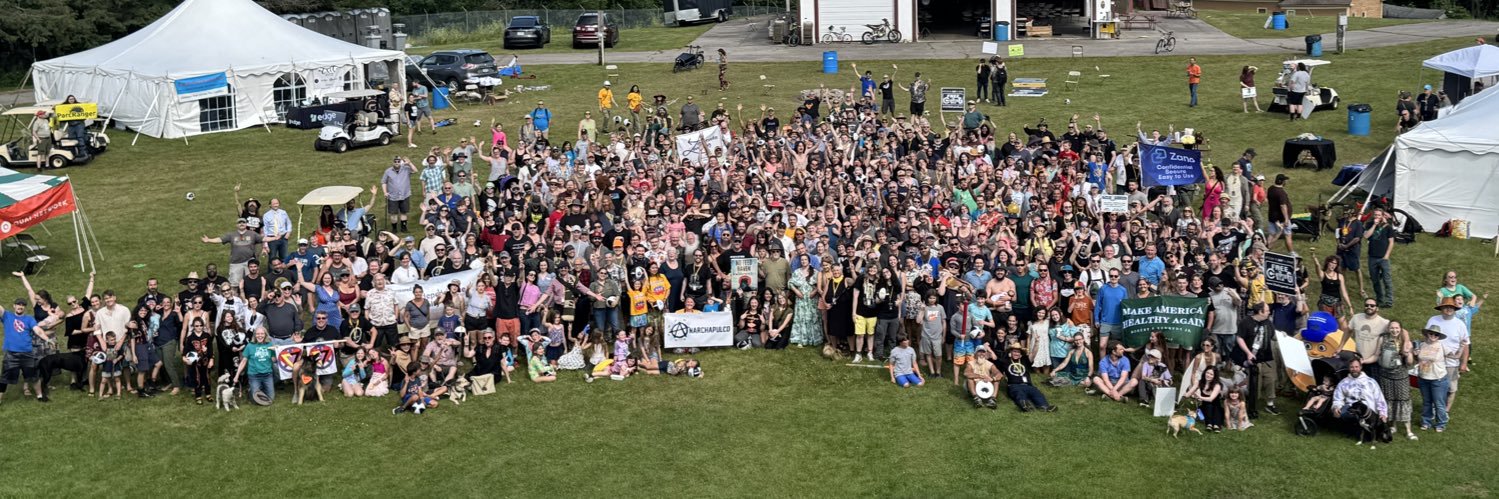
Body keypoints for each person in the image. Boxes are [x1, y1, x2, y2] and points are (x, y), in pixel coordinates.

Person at [1426, 297, 1470, 415]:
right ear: (1441, 308)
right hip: (1434, 361)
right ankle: (1434, 409)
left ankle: (1445, 412)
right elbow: (1426, 338)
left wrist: (1464, 363)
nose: (1449, 309)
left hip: (1452, 363)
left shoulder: (1460, 324)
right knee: (1433, 387)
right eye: (1446, 307)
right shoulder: (1433, 320)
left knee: (1451, 389)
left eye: (1451, 307)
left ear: (1454, 309)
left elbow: (1465, 344)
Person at [1, 297, 43, 404]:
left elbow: (37, 330)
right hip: (11, 354)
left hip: (27, 353)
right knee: (4, 378)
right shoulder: (7, 316)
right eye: (18, 304)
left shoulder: (29, 319)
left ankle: (40, 396)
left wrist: (47, 339)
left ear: (24, 308)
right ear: (14, 306)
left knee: (34, 375)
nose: (20, 306)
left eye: (23, 305)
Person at [199, 218, 263, 286]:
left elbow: (263, 239)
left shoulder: (252, 234)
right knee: (234, 284)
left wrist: (274, 238)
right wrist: (209, 240)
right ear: (236, 225)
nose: (241, 224)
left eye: (243, 222)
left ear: (246, 224)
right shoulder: (231, 235)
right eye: (239, 223)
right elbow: (220, 239)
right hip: (236, 263)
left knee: (251, 283)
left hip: (249, 262)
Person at [1331, 358, 1388, 428]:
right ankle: (1354, 427)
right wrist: (1336, 407)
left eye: (1356, 367)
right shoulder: (1343, 383)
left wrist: (1383, 413)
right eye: (1352, 367)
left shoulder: (1371, 382)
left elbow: (1380, 399)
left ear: (1361, 367)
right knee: (1343, 413)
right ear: (1349, 368)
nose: (1354, 369)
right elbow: (1337, 399)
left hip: (1369, 411)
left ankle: (1366, 427)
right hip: (1352, 409)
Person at [1415, 324, 1450, 432]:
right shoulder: (1421, 345)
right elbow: (1419, 360)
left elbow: (1453, 355)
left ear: (1439, 336)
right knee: (1426, 401)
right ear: (1427, 334)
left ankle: (1441, 423)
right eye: (1431, 333)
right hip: (1423, 377)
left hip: (1438, 378)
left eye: (1436, 334)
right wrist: (1415, 355)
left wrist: (1463, 348)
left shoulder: (1442, 346)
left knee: (1439, 403)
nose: (1433, 336)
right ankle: (1426, 422)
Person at [381, 157, 415, 233]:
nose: (397, 162)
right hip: (393, 196)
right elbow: (384, 182)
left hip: (405, 195)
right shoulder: (388, 171)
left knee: (404, 212)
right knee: (393, 214)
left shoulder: (406, 169)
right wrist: (385, 192)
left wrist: (409, 163)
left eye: (398, 161)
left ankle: (404, 227)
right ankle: (394, 228)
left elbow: (415, 170)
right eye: (395, 161)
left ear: (401, 162)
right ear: (393, 162)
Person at [963, 344, 1001, 409]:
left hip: (986, 385)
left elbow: (999, 374)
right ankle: (976, 398)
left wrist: (992, 379)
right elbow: (966, 373)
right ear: (975, 354)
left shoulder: (990, 364)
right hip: (974, 384)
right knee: (969, 378)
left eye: (983, 352)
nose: (981, 354)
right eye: (979, 351)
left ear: (986, 354)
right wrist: (981, 376)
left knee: (997, 380)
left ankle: (992, 399)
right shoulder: (970, 363)